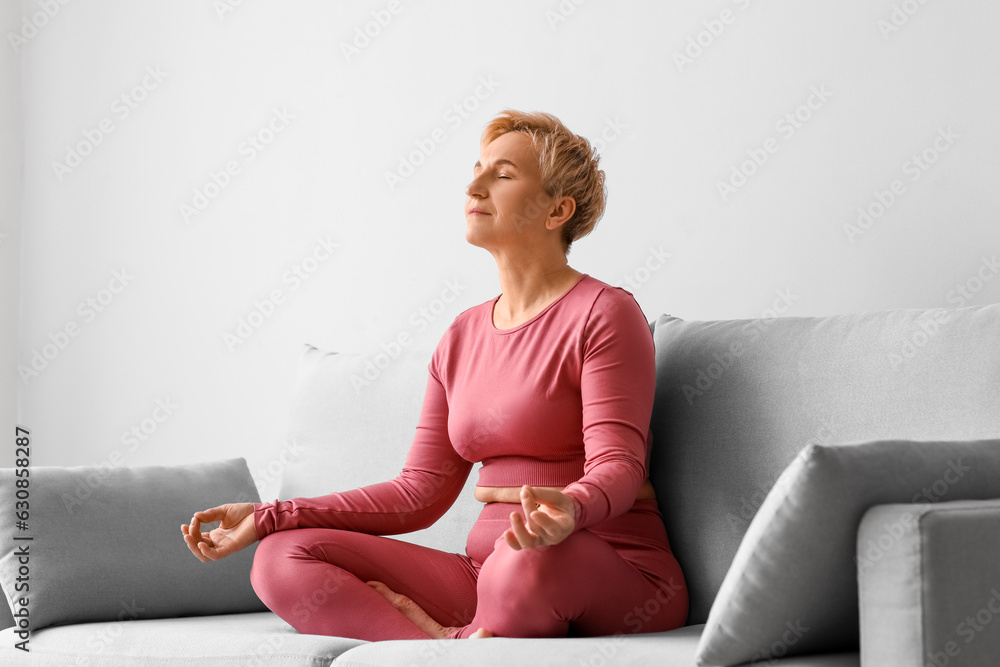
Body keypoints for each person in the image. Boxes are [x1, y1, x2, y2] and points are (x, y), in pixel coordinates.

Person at [181, 109, 688, 640]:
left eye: (504, 175)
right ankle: (446, 648)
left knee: (522, 563)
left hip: (611, 569)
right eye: (477, 169)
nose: (475, 185)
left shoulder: (605, 312)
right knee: (283, 558)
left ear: (557, 210)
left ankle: (467, 637)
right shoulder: (462, 335)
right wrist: (271, 516)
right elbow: (417, 493)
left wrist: (572, 508)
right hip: (486, 575)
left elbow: (619, 465)